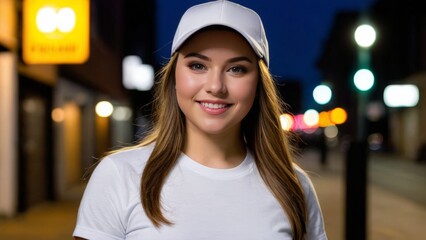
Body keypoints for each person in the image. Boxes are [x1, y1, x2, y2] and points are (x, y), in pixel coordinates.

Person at [73, 1, 327, 239]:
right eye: (197, 66)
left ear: (258, 84)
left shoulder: (293, 186)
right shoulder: (120, 175)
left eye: (236, 69)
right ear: (174, 77)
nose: (216, 86)